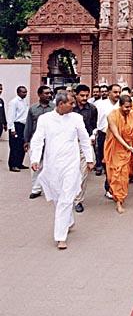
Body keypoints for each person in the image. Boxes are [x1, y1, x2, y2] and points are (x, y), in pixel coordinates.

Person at [30, 91, 94, 249]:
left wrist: (90, 159)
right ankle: (69, 220)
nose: (74, 106)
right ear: (60, 104)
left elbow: (84, 139)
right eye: (70, 103)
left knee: (66, 198)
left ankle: (60, 237)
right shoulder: (45, 119)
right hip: (52, 165)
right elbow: (38, 140)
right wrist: (35, 159)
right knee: (59, 198)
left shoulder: (76, 119)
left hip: (71, 164)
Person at [104, 95, 133, 213]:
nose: (128, 109)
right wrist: (127, 146)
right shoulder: (111, 116)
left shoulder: (132, 113)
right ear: (120, 105)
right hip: (115, 148)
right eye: (126, 107)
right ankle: (118, 201)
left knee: (124, 176)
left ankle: (120, 198)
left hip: (128, 149)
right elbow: (116, 134)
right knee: (116, 175)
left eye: (130, 107)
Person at [23, 85, 54, 199]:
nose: (49, 95)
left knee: (50, 166)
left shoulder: (54, 108)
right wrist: (26, 141)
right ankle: (36, 189)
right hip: (36, 141)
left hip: (51, 141)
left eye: (50, 93)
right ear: (39, 95)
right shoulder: (33, 108)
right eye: (46, 93)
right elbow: (29, 125)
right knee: (35, 165)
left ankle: (50, 189)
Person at [72, 84, 98, 212]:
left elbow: (94, 126)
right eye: (82, 95)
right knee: (70, 173)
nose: (84, 98)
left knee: (83, 173)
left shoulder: (92, 109)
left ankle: (78, 200)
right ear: (75, 95)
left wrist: (93, 135)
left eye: (87, 95)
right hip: (70, 144)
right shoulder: (69, 108)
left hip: (85, 143)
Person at [95, 84, 121, 187]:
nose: (117, 94)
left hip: (118, 137)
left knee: (117, 163)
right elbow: (95, 121)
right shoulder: (99, 104)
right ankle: (109, 185)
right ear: (109, 92)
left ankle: (115, 186)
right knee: (106, 161)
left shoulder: (122, 104)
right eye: (115, 92)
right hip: (104, 136)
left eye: (119, 92)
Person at [7, 86, 29, 172]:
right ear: (18, 92)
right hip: (16, 126)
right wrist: (12, 129)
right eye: (23, 92)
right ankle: (13, 165)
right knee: (15, 146)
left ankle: (19, 163)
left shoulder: (24, 101)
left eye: (26, 92)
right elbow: (11, 117)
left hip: (23, 126)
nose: (25, 94)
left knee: (21, 145)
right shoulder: (14, 102)